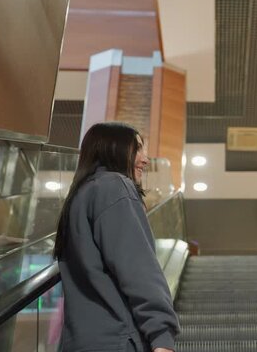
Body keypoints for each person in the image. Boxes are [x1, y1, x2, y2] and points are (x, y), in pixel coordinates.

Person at [54, 122, 179, 352]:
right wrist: (162, 335)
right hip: (116, 339)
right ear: (114, 148)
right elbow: (137, 268)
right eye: (137, 149)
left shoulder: (80, 195)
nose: (145, 159)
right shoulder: (114, 187)